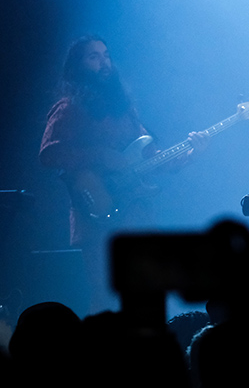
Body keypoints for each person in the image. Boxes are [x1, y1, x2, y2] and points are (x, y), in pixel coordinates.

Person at [39, 35, 209, 314]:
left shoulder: (124, 109)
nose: (104, 62)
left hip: (136, 215)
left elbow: (152, 157)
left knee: (147, 296)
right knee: (104, 297)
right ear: (78, 66)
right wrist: (100, 155)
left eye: (106, 55)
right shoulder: (69, 108)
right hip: (96, 217)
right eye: (94, 57)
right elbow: (49, 154)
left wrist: (192, 155)